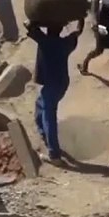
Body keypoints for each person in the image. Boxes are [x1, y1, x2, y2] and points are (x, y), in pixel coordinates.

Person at [26, 18, 82, 161]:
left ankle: (54, 155)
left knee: (49, 116)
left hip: (51, 85)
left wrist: (37, 20)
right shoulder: (66, 43)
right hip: (61, 83)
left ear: (47, 29)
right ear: (61, 29)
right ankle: (44, 133)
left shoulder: (44, 41)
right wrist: (81, 18)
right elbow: (78, 31)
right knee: (40, 104)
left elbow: (28, 25)